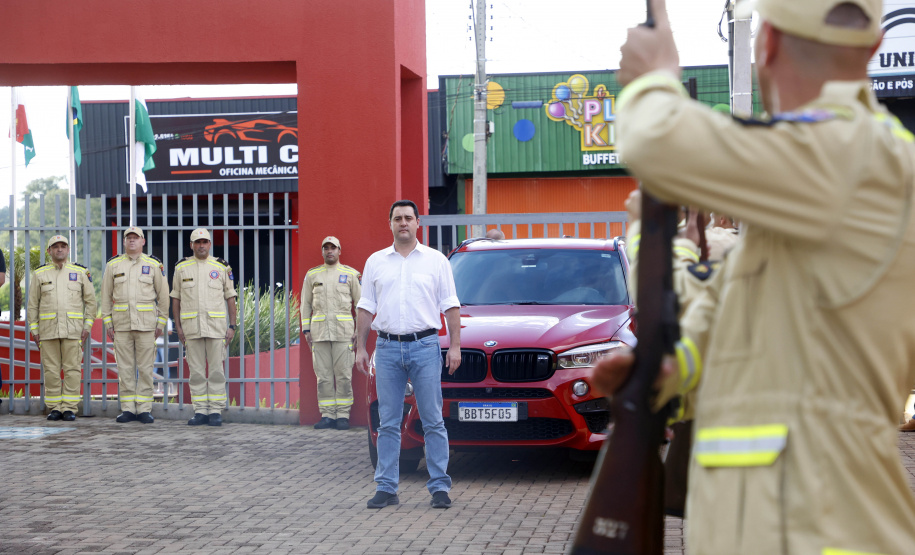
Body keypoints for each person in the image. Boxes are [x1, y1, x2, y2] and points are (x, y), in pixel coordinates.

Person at [598, 0, 915, 552]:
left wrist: (653, 81)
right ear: (870, 50)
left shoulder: (858, 154)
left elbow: (657, 141)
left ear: (765, 44)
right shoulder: (810, 196)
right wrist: (667, 372)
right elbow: (723, 328)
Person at [355, 199, 461, 510]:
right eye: (397, 218)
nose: (403, 223)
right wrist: (361, 346)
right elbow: (366, 307)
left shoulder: (436, 260)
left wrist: (454, 345)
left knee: (433, 420)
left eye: (408, 218)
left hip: (426, 346)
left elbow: (451, 305)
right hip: (386, 348)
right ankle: (386, 487)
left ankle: (439, 487)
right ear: (389, 224)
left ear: (418, 224)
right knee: (387, 422)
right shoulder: (376, 261)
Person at [100, 227, 169, 424]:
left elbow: (163, 296)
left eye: (135, 238)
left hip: (147, 326)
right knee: (125, 369)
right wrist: (108, 324)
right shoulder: (113, 265)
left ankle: (144, 408)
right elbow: (105, 297)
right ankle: (128, 408)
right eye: (128, 238)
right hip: (121, 326)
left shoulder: (154, 264)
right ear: (124, 242)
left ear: (143, 241)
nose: (132, 241)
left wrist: (161, 323)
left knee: (146, 369)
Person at [170, 228, 238, 427]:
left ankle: (215, 410)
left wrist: (232, 326)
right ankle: (200, 411)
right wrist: (178, 327)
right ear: (191, 245)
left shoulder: (221, 267)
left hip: (216, 328)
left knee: (217, 370)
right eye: (197, 242)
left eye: (204, 242)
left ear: (210, 244)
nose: (201, 245)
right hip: (191, 329)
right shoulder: (182, 268)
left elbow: (230, 297)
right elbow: (176, 298)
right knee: (196, 372)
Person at [26, 235, 96, 421]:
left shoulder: (81, 272)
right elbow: (32, 305)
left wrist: (87, 326)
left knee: (73, 369)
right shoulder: (39, 274)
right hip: (47, 332)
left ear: (68, 249)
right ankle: (55, 408)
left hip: (73, 331)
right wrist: (35, 331)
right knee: (51, 370)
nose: (59, 249)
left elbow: (91, 302)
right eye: (55, 246)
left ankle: (70, 408)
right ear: (49, 251)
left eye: (63, 246)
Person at [300, 236, 362, 430]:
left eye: (333, 248)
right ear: (322, 251)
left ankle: (343, 415)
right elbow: (305, 304)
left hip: (344, 334)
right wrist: (306, 329)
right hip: (319, 335)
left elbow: (361, 305)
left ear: (339, 251)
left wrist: (359, 330)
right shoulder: (313, 275)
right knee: (323, 376)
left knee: (343, 375)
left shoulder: (351, 275)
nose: (329, 251)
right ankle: (327, 415)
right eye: (326, 248)